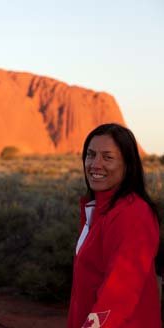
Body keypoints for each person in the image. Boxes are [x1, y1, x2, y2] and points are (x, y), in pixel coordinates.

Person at [67, 123, 161, 327]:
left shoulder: (133, 214)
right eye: (90, 155)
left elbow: (119, 295)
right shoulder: (99, 211)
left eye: (107, 157)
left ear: (128, 165)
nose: (95, 164)